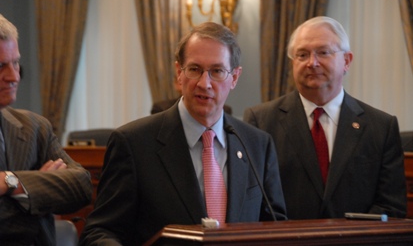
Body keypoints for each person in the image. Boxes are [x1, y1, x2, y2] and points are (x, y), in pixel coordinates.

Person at [79, 22, 287, 245]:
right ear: (179, 72)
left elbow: (274, 226)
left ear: (234, 77)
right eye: (194, 69)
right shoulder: (133, 144)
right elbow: (100, 231)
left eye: (217, 71)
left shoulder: (257, 144)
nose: (204, 83)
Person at [244, 16, 407, 219]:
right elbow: (252, 203)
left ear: (346, 61)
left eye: (323, 52)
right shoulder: (260, 122)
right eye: (302, 55)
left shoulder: (381, 128)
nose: (312, 63)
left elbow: (391, 208)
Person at [0, 14, 93, 245]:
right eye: (0, 65)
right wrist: (38, 194)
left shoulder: (34, 127)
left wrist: (11, 181)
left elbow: (81, 186)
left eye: (16, 63)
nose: (14, 76)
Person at [151, 75, 233, 114]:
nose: (204, 85)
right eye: (194, 70)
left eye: (217, 71)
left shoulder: (225, 110)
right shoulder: (162, 108)